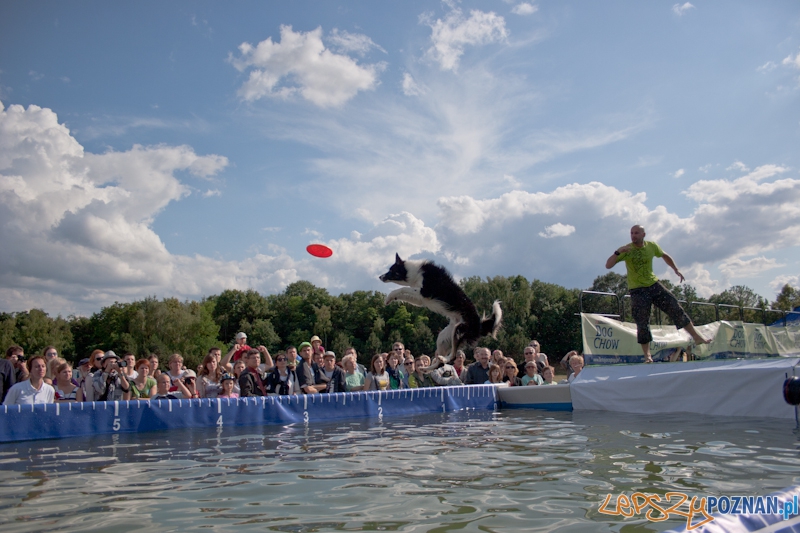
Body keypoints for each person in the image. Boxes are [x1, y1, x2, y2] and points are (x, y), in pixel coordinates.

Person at [606, 224, 710, 363]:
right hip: (638, 290)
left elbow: (665, 255)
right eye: (631, 233)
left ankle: (697, 337)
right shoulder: (626, 249)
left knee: (675, 307)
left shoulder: (651, 246)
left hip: (654, 285)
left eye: (636, 233)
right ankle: (647, 356)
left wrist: (675, 269)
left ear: (644, 234)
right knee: (642, 321)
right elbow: (608, 265)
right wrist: (617, 252)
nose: (633, 235)